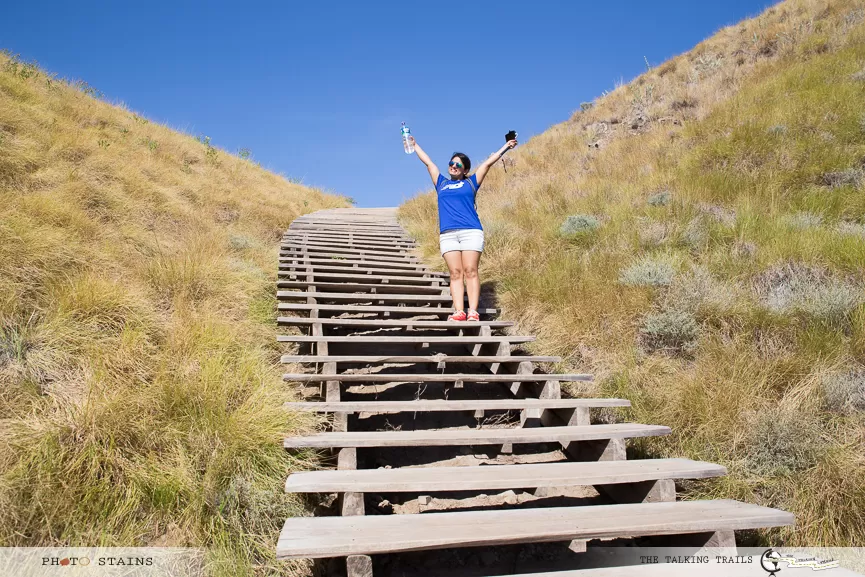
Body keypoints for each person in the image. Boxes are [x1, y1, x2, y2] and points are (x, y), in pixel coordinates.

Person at [407, 134, 518, 321]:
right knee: (455, 273)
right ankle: (459, 311)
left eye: (458, 165)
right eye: (451, 163)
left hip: (470, 232)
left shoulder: (471, 183)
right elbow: (429, 163)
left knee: (470, 270)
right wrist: (415, 145)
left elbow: (487, 164)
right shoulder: (441, 183)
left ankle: (473, 311)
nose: (453, 166)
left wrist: (506, 146)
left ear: (465, 169)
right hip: (448, 234)